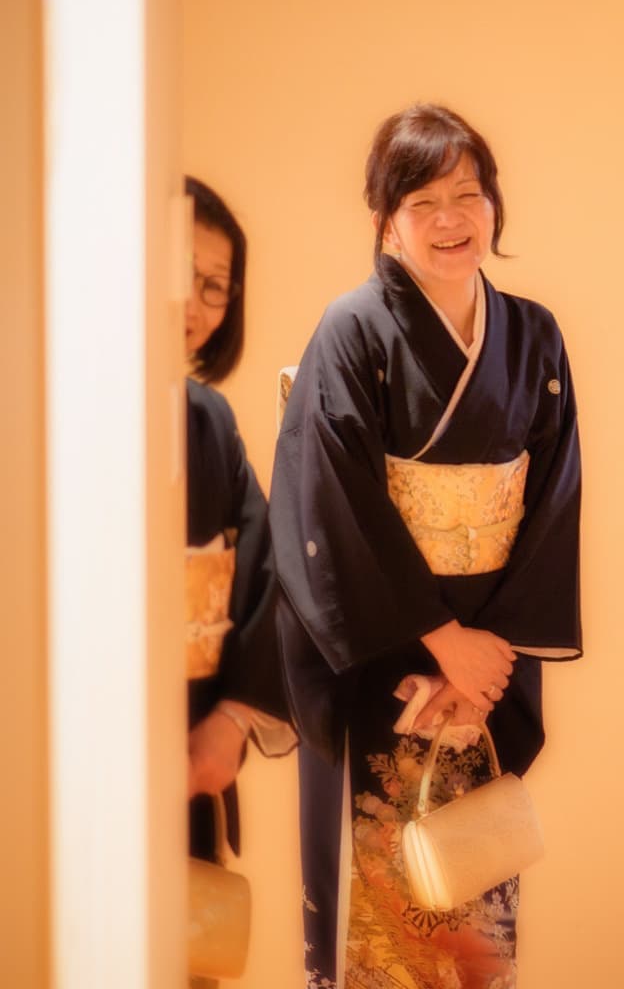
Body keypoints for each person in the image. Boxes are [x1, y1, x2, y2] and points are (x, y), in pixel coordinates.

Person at [270, 104, 582, 988]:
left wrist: (488, 664)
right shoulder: (352, 330)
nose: (452, 220)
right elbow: (331, 505)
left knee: (474, 912)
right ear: (386, 221)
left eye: (468, 195)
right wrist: (444, 644)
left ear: (494, 207)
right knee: (382, 923)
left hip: (487, 668)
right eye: (424, 202)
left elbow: (552, 504)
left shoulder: (534, 335)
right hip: (382, 664)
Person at [183, 175, 295, 984]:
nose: (191, 303)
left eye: (214, 287)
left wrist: (229, 720)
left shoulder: (207, 423)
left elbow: (267, 572)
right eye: (176, 274)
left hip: (189, 754)